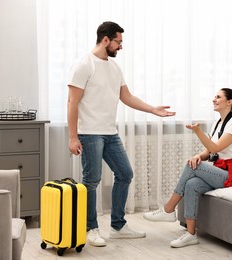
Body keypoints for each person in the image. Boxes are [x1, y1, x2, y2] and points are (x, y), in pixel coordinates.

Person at [67, 21, 176, 247]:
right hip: (89, 133)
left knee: (125, 173)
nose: (120, 47)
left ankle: (117, 225)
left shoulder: (115, 68)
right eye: (118, 42)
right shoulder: (84, 65)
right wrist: (73, 137)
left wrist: (153, 109)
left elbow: (127, 97)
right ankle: (91, 228)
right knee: (91, 181)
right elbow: (72, 102)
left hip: (109, 132)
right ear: (105, 40)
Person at [143, 88, 232, 248]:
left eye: (218, 97)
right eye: (214, 97)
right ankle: (190, 234)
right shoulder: (218, 123)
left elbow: (215, 148)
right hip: (221, 171)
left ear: (229, 102)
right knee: (192, 184)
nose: (214, 99)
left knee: (192, 168)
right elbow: (209, 151)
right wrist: (198, 156)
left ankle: (168, 209)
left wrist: (198, 132)